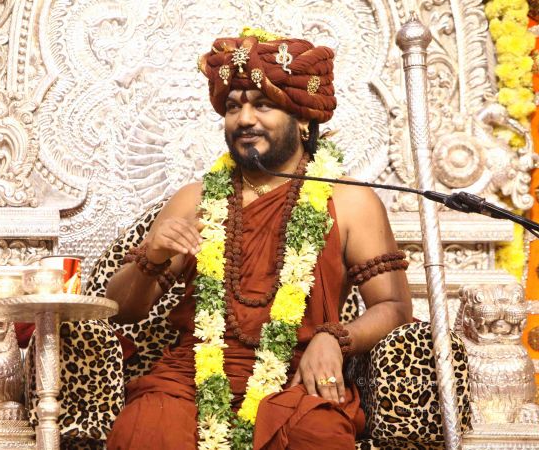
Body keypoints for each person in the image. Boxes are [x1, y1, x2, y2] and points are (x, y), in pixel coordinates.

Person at [105, 30, 412, 450]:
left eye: (262, 105)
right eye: (233, 107)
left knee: (315, 437)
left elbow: (394, 306)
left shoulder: (350, 201)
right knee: (145, 431)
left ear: (303, 118)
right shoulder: (195, 200)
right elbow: (121, 310)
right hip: (191, 380)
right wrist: (152, 257)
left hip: (298, 380)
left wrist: (335, 338)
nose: (244, 119)